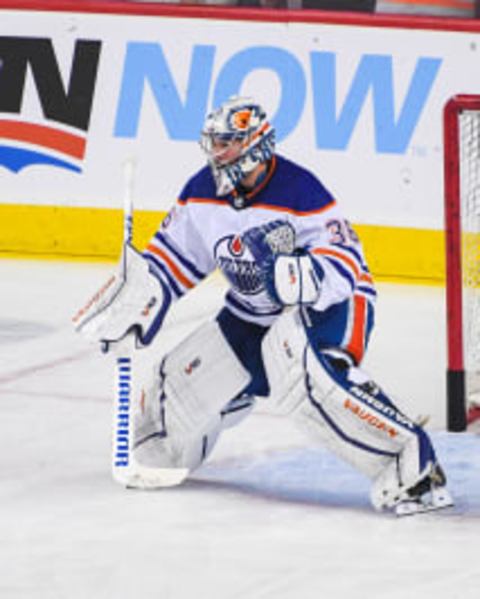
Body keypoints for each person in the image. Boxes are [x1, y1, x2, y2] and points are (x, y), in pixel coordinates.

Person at [74, 96, 452, 515]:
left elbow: (347, 266)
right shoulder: (201, 193)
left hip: (325, 310)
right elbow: (170, 262)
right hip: (249, 315)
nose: (217, 153)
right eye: (215, 144)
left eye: (227, 144)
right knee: (165, 415)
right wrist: (136, 306)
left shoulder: (300, 191)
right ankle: (229, 396)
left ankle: (415, 469)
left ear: (254, 145)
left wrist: (296, 276)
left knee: (307, 380)